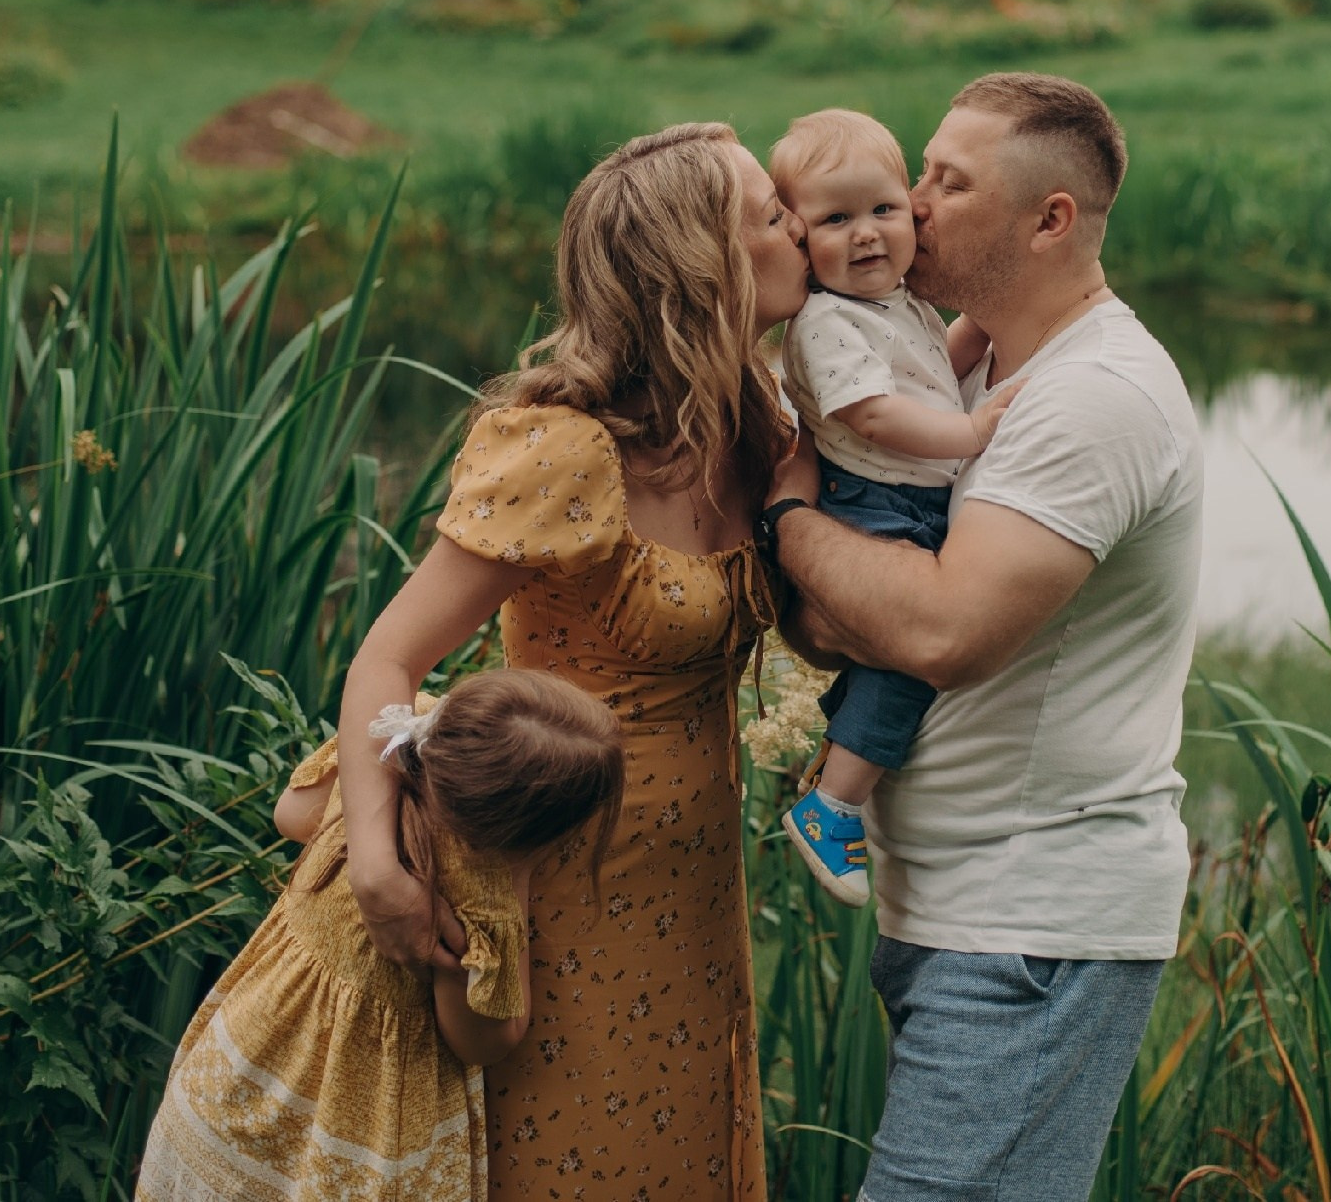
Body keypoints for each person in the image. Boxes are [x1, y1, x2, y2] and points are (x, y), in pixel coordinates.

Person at [332, 123, 808, 1202]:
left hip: (694, 894)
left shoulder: (755, 421)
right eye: (769, 214)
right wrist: (376, 862)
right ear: (702, 263)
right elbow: (385, 660)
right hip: (555, 884)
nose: (799, 230)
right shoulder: (566, 448)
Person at [763, 73, 1204, 1202]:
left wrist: (788, 517)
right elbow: (835, 627)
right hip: (959, 906)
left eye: (947, 183)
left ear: (1048, 220)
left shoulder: (1093, 396)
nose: (911, 202)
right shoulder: (976, 361)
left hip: (1032, 921)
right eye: (920, 170)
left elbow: (937, 632)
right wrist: (840, 577)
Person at [137, 670, 626, 1202]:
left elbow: (290, 814)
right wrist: (517, 879)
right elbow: (485, 1040)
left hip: (233, 1078)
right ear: (532, 833)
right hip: (346, 1146)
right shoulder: (480, 894)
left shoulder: (388, 745)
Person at [766, 108, 1014, 906]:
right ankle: (832, 806)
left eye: (883, 209)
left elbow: (934, 365)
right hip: (875, 501)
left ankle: (835, 765)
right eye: (836, 220)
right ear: (801, 238)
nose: (867, 233)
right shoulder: (827, 320)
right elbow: (873, 414)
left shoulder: (894, 303)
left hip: (905, 494)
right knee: (905, 659)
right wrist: (970, 432)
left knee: (889, 655)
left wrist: (995, 314)